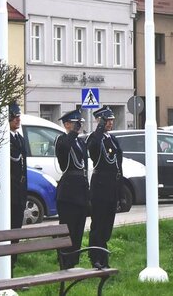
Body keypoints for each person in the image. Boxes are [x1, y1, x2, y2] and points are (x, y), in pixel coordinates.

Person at [86, 106, 122, 269]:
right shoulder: (95, 138)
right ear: (99, 121)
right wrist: (99, 128)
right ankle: (96, 257)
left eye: (111, 120)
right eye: (107, 120)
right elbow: (93, 149)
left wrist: (120, 193)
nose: (110, 123)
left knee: (107, 225)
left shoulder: (112, 139)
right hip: (100, 187)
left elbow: (118, 164)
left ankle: (103, 256)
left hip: (112, 187)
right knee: (98, 225)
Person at [54, 109, 89, 269]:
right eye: (75, 123)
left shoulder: (80, 142)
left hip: (81, 189)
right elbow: (64, 150)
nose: (78, 126)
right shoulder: (61, 140)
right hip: (68, 192)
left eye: (79, 123)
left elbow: (84, 164)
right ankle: (64, 261)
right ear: (67, 124)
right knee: (68, 228)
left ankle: (74, 261)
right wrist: (73, 133)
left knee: (78, 229)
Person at [0, 102, 28, 229]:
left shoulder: (20, 138)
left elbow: (22, 166)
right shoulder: (0, 136)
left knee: (16, 228)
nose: (18, 119)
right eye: (14, 117)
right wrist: (3, 122)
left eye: (18, 116)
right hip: (4, 190)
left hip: (18, 192)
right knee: (2, 229)